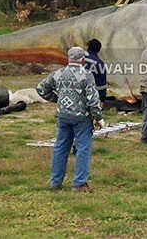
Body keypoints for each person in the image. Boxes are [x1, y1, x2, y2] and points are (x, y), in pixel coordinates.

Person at [36, 46, 105, 192]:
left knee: (60, 148)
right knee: (82, 149)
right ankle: (79, 184)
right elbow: (93, 99)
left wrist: (57, 99)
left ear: (68, 58)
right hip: (82, 118)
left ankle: (55, 182)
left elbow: (41, 89)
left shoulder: (58, 73)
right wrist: (98, 117)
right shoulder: (87, 75)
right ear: (83, 60)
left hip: (63, 116)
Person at [84, 39, 107, 103]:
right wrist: (102, 99)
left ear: (88, 47)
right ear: (98, 50)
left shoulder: (76, 57)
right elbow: (101, 85)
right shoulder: (99, 64)